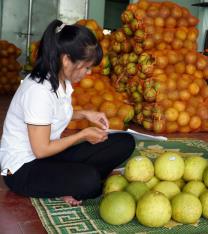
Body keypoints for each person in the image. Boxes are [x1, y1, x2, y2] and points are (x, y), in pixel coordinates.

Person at [0, 20, 135, 206]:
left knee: (124, 142)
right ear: (66, 60)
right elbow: (41, 150)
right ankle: (71, 182)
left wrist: (86, 114)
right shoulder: (38, 91)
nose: (88, 73)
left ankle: (67, 180)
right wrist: (82, 135)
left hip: (48, 156)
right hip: (22, 170)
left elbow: (52, 115)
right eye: (86, 67)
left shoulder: (62, 80)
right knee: (90, 182)